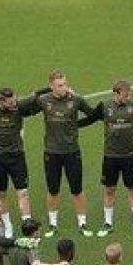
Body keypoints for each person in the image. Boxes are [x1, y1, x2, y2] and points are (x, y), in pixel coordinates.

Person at [79, 79, 133, 237]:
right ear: (116, 93)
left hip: (130, 155)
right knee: (109, 189)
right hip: (111, 156)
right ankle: (107, 223)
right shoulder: (105, 107)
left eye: (129, 94)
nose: (128, 97)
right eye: (125, 95)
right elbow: (90, 119)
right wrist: (72, 125)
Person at [0, 85, 49, 237]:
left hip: (17, 156)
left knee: (22, 192)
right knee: (1, 193)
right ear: (0, 101)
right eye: (9, 102)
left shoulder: (18, 105)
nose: (13, 104)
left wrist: (51, 88)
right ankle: (7, 225)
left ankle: (27, 224)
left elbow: (35, 94)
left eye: (14, 100)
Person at [34, 69, 94, 237]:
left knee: (77, 189)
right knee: (53, 189)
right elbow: (25, 107)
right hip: (51, 152)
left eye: (65, 84)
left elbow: (93, 114)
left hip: (71, 151)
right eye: (60, 85)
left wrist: (77, 124)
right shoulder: (43, 100)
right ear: (51, 86)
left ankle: (82, 223)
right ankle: (53, 225)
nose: (64, 88)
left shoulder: (76, 100)